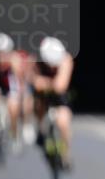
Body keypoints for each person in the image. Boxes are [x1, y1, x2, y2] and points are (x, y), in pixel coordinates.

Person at [32, 36, 75, 169]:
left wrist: (44, 83)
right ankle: (40, 131)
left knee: (64, 122)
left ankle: (65, 154)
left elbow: (60, 86)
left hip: (59, 98)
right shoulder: (36, 61)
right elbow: (33, 81)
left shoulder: (66, 60)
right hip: (42, 98)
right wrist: (44, 83)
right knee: (35, 105)